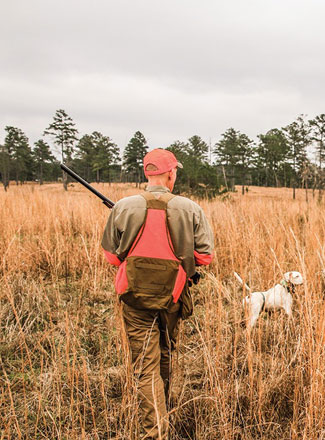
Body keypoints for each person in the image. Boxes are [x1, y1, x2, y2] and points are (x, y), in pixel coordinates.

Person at [101, 148, 214, 439]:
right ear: (170, 174)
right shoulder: (190, 208)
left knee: (145, 365)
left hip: (134, 299)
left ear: (146, 173)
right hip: (173, 298)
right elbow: (205, 258)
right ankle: (158, 427)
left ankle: (155, 429)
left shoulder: (123, 207)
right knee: (165, 353)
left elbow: (112, 257)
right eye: (175, 171)